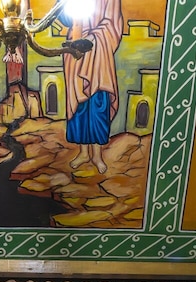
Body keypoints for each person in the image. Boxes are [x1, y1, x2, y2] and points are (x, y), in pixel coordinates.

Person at [63, 0, 124, 173]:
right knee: (79, 105)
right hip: (77, 54)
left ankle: (97, 155)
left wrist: (92, 38)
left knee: (98, 105)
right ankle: (83, 153)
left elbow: (112, 23)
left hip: (99, 53)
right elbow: (65, 15)